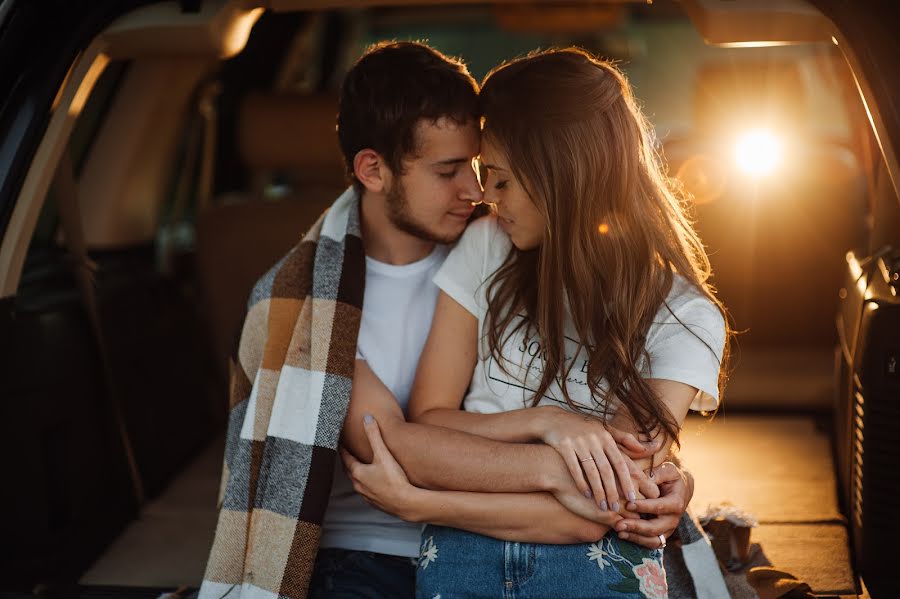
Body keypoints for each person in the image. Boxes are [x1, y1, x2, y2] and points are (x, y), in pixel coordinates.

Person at [200, 41, 695, 599]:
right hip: (367, 549)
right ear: (373, 169)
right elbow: (393, 449)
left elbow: (611, 407)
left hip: (521, 530)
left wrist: (657, 474)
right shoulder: (308, 301)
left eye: (481, 168)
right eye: (448, 171)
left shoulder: (505, 249)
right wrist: (562, 467)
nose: (477, 191)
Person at [342, 48, 729, 599]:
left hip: (588, 564)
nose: (485, 199)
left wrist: (425, 503)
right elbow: (425, 424)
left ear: (562, 178)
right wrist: (548, 425)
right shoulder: (486, 247)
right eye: (481, 176)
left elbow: (608, 506)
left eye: (499, 181)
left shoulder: (686, 318)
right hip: (460, 556)